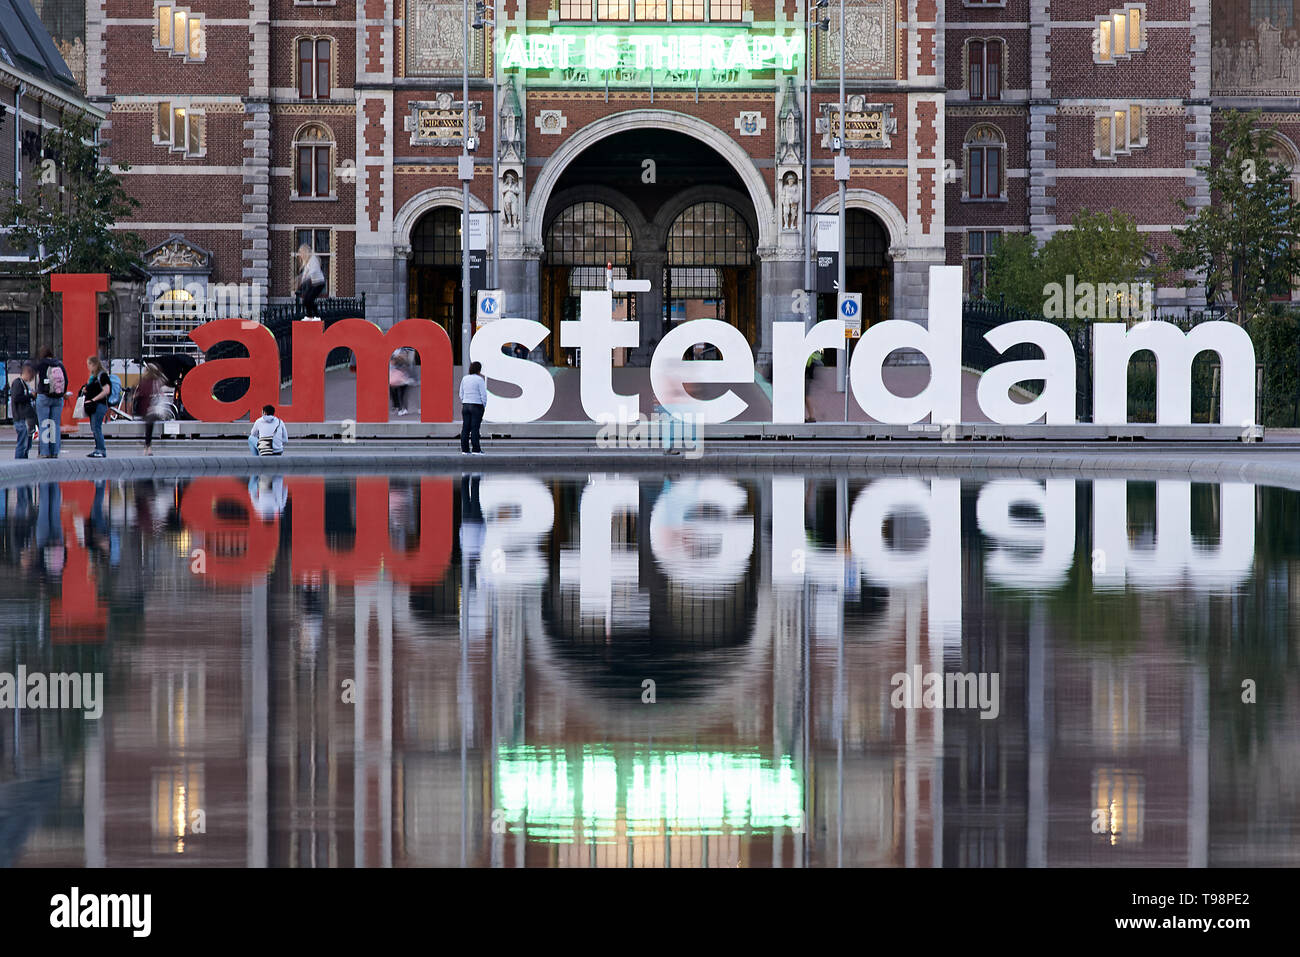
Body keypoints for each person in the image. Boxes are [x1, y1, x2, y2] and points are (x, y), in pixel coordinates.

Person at [33, 346, 68, 458]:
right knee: (55, 425)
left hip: (44, 396)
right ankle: (54, 452)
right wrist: (62, 393)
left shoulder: (42, 364)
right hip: (58, 398)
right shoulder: (59, 364)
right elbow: (66, 380)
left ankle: (44, 452)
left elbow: (39, 380)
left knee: (44, 424)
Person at [81, 356, 112, 458]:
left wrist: (94, 399)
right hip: (93, 406)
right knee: (94, 428)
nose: (88, 367)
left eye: (89, 364)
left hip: (99, 405)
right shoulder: (93, 378)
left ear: (94, 364)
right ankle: (97, 449)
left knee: (96, 428)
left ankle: (101, 450)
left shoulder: (102, 376)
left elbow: (106, 390)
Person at [135, 363, 167, 455]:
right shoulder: (157, 380)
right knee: (149, 428)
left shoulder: (144, 381)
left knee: (147, 428)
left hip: (146, 407)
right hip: (153, 407)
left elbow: (140, 393)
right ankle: (147, 447)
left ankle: (146, 447)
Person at [459, 360, 487, 455]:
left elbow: (461, 393)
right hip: (476, 405)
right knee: (475, 428)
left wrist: (464, 401)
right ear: (479, 370)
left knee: (465, 428)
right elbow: (483, 395)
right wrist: (483, 405)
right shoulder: (479, 380)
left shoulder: (465, 378)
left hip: (466, 405)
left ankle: (465, 450)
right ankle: (476, 449)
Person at [10, 361, 37, 459]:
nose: (31, 379)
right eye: (31, 376)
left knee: (26, 443)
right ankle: (19, 459)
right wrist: (30, 396)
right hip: (20, 417)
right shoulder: (18, 383)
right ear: (27, 373)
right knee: (23, 442)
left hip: (25, 417)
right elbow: (17, 398)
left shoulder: (24, 384)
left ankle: (23, 458)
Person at [297, 244, 326, 319]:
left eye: (301, 253)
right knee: (306, 300)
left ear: (305, 252)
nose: (301, 255)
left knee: (309, 299)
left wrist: (306, 277)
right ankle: (313, 316)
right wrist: (301, 282)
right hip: (314, 283)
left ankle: (313, 316)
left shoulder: (313, 258)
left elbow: (314, 270)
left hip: (319, 283)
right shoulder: (307, 262)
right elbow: (305, 273)